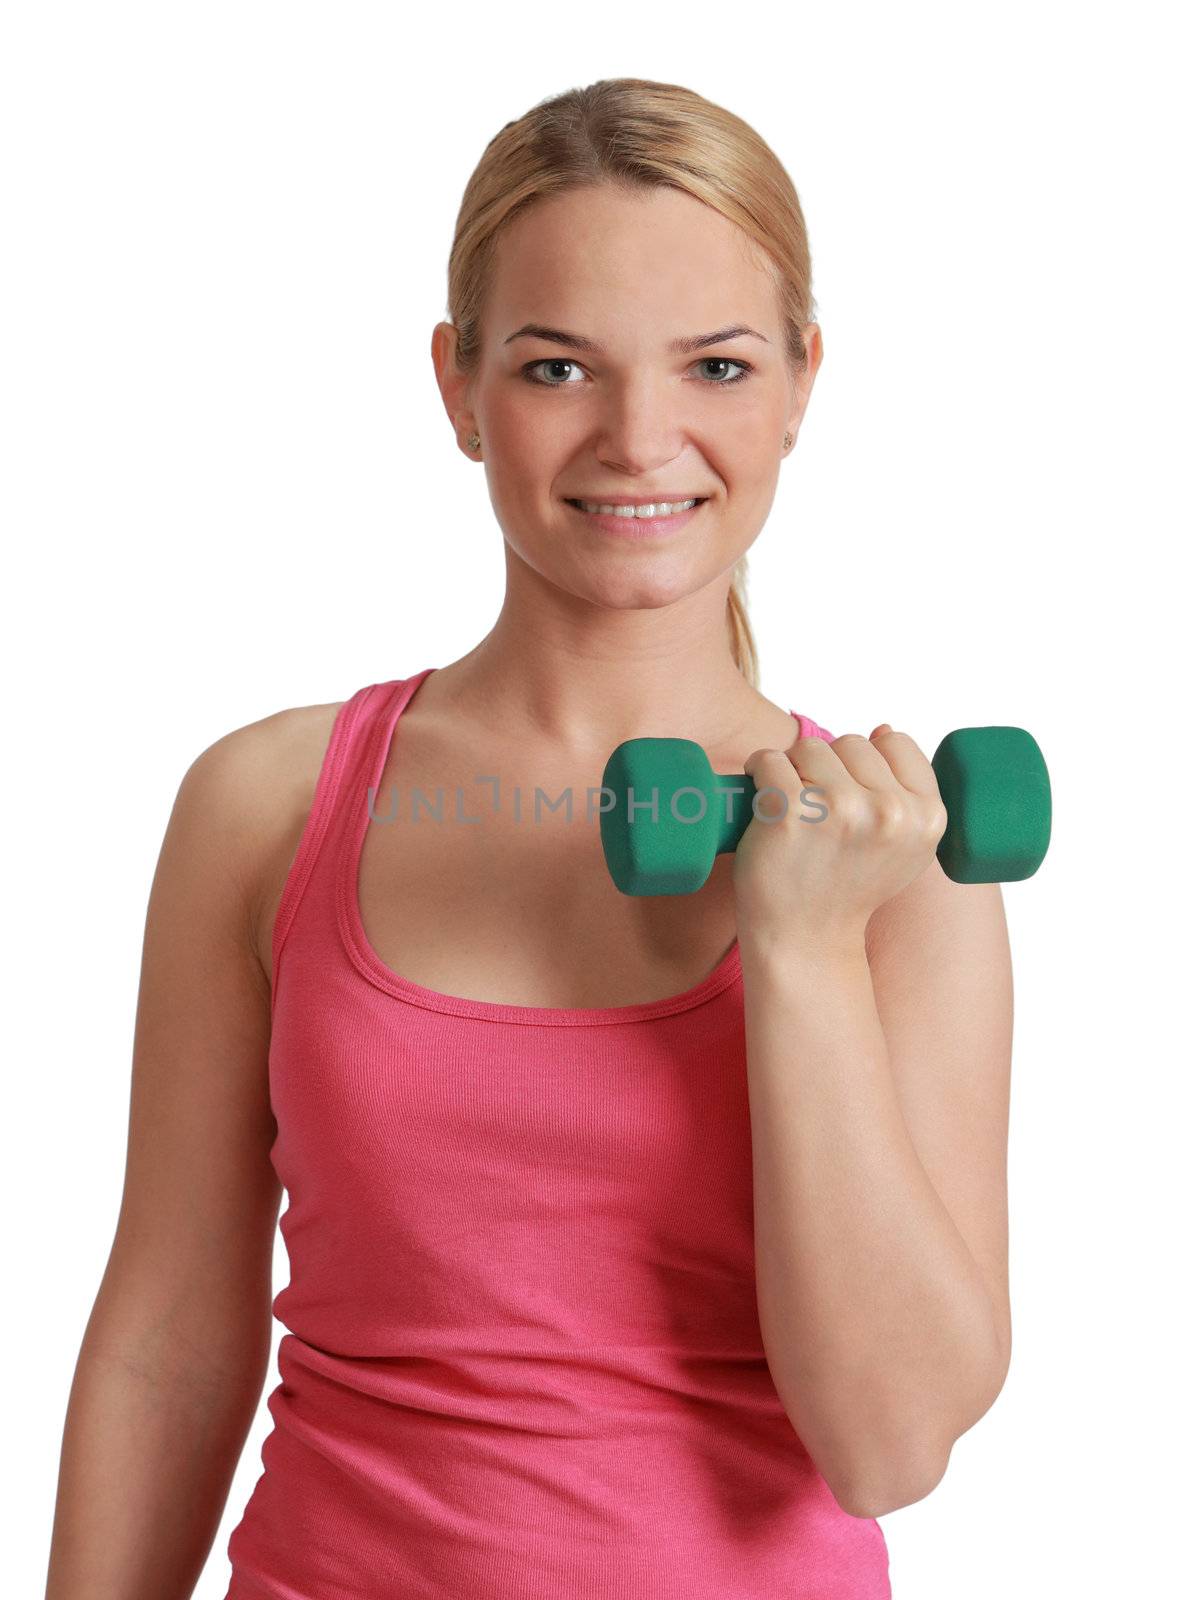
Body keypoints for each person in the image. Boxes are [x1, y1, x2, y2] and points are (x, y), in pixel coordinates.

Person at [45, 77, 1013, 1600]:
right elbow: (168, 1337)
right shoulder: (268, 806)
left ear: (801, 384)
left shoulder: (899, 862)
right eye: (560, 366)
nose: (641, 439)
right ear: (459, 385)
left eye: (717, 365)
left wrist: (806, 949)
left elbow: (886, 1446)